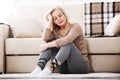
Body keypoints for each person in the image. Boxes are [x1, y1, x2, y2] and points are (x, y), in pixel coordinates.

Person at [30, 6, 90, 76]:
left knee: (68, 44)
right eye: (55, 18)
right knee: (48, 42)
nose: (59, 19)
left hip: (80, 66)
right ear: (54, 21)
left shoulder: (76, 27)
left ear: (64, 15)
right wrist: (49, 21)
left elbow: (67, 39)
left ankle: (49, 70)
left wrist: (47, 45)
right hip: (63, 68)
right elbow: (45, 38)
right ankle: (39, 68)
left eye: (60, 15)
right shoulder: (55, 30)